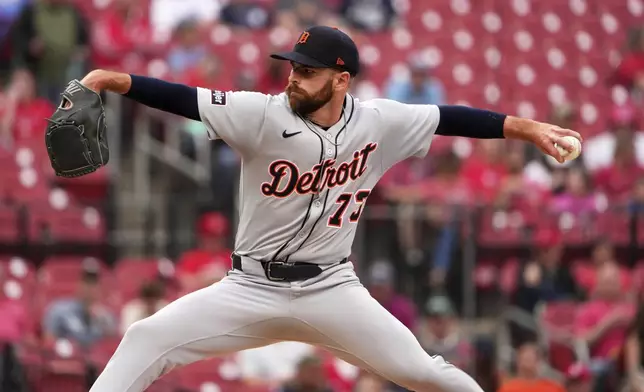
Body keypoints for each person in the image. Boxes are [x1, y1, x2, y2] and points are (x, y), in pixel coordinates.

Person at [80, 25, 581, 392]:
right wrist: (113, 80)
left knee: (429, 374)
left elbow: (455, 118)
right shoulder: (260, 114)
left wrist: (531, 129)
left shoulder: (378, 122)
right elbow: (185, 99)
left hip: (332, 288)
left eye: (307, 71)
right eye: (293, 67)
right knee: (146, 338)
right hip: (250, 287)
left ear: (341, 80)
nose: (293, 78)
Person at [42, 267, 117, 348]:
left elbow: (112, 346)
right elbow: (49, 342)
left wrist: (97, 316)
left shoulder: (106, 317)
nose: (90, 288)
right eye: (86, 283)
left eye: (94, 284)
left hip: (96, 358)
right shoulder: (59, 310)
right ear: (79, 285)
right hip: (68, 357)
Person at [496, 342, 565, 392]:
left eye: (530, 359)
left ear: (538, 362)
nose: (527, 364)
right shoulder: (508, 389)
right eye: (525, 359)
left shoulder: (552, 388)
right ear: (518, 363)